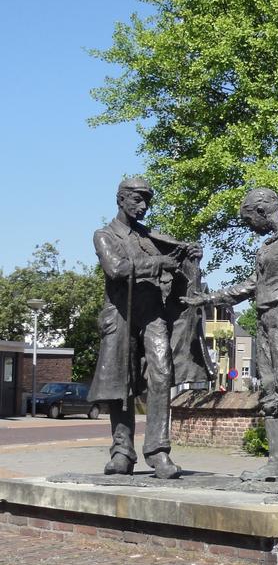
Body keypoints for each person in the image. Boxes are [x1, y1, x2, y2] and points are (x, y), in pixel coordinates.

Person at [183, 188, 278, 481]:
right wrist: (208, 299)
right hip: (264, 319)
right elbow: (252, 285)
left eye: (249, 219)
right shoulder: (269, 244)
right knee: (271, 392)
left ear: (261, 211)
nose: (250, 227)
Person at [89, 177, 212, 478]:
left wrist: (189, 257)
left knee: (162, 373)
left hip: (152, 314)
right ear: (121, 199)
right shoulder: (105, 235)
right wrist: (161, 263)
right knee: (123, 382)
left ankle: (158, 452)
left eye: (147, 201)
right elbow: (116, 269)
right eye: (137, 200)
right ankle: (121, 452)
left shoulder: (152, 238)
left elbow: (175, 261)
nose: (143, 206)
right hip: (120, 316)